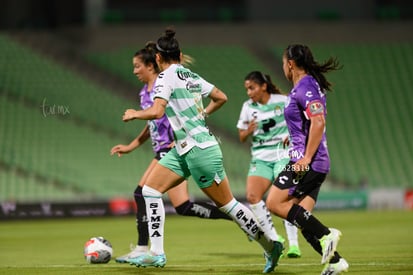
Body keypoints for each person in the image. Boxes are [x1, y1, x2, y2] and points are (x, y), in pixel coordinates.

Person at [121, 27, 284, 273]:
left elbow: (157, 112)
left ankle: (270, 246)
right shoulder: (190, 75)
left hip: (200, 150)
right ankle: (156, 253)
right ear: (179, 54)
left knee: (228, 205)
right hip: (183, 149)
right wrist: (202, 113)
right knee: (150, 190)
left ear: (157, 58)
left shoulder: (165, 78)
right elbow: (221, 97)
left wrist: (135, 114)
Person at [110, 42, 232, 263]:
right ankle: (231, 214)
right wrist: (131, 146)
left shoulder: (163, 84)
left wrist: (141, 117)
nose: (134, 71)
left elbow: (162, 114)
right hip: (164, 150)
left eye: (137, 66)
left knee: (142, 193)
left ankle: (142, 249)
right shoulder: (144, 92)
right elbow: (152, 125)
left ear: (150, 65)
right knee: (183, 207)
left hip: (173, 149)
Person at [265, 44, 349, 275]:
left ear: (290, 64)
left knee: (273, 203)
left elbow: (318, 121)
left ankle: (327, 234)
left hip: (308, 162)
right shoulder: (305, 86)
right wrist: (291, 137)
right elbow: (307, 121)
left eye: (284, 63)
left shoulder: (306, 86)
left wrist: (306, 157)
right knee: (302, 220)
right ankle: (336, 263)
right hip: (313, 161)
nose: (284, 67)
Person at [237, 71, 301, 258]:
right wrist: (248, 130)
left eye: (252, 88)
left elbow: (298, 122)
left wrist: (293, 137)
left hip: (283, 155)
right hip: (261, 156)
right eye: (247, 89)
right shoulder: (248, 107)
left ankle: (294, 245)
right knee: (252, 196)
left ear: (263, 86)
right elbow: (241, 137)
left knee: (285, 198)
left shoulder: (283, 100)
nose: (249, 92)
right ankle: (275, 239)